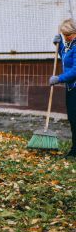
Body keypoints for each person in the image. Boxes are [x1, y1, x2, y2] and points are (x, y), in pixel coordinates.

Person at [50, 18, 76, 158]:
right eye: (64, 35)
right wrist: (59, 47)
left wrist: (59, 78)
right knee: (72, 119)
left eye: (68, 35)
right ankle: (75, 149)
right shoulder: (70, 45)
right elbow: (67, 61)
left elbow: (75, 70)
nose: (66, 38)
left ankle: (75, 151)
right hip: (71, 88)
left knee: (75, 119)